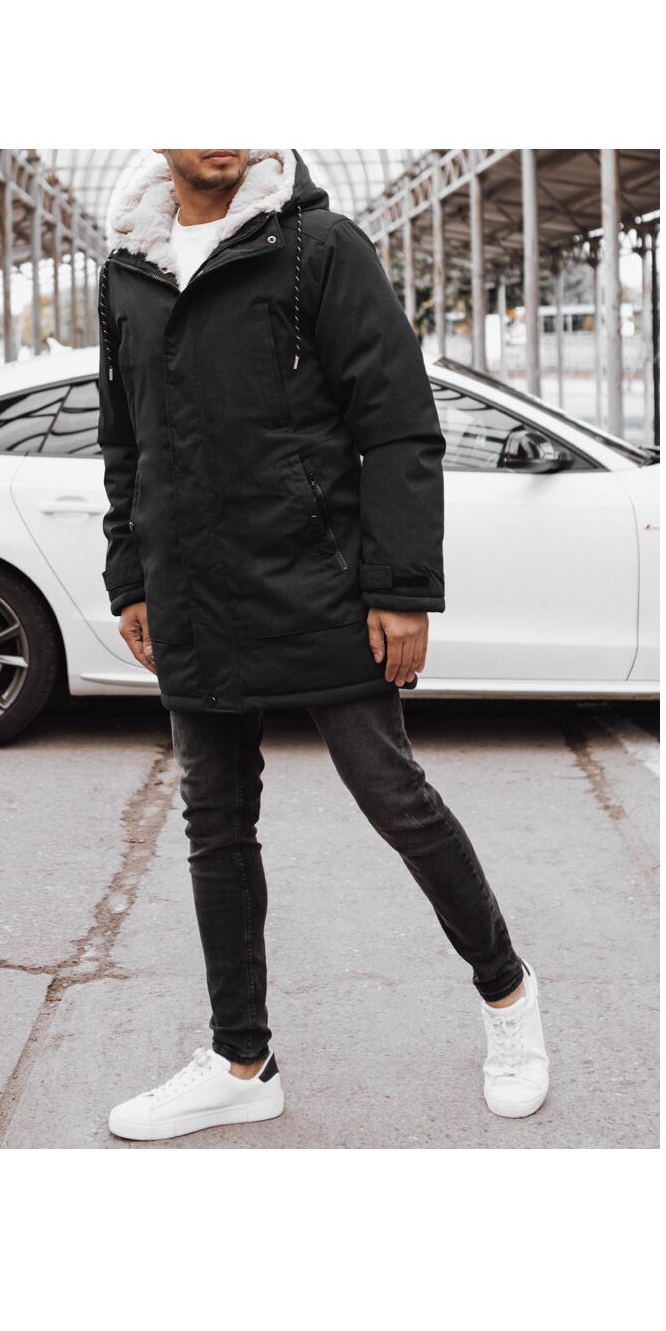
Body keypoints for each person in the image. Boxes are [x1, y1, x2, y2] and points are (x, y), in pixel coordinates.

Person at [98, 149, 549, 1142]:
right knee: (215, 826)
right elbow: (125, 441)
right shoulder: (128, 269)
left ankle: (508, 994)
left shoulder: (317, 247)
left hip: (317, 584)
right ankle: (241, 1061)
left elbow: (398, 424)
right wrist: (129, 576)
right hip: (191, 592)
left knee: (396, 799)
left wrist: (400, 589)